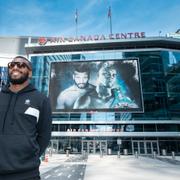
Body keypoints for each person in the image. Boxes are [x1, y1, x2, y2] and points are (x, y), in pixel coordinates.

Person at [0, 56, 52, 180]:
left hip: (27, 174)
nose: (15, 67)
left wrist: (29, 157)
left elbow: (44, 136)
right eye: (12, 65)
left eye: (21, 65)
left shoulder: (41, 100)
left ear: (30, 73)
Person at [74, 62, 138, 109]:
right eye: (105, 73)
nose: (110, 76)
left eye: (113, 74)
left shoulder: (123, 98)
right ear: (97, 76)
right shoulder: (85, 100)